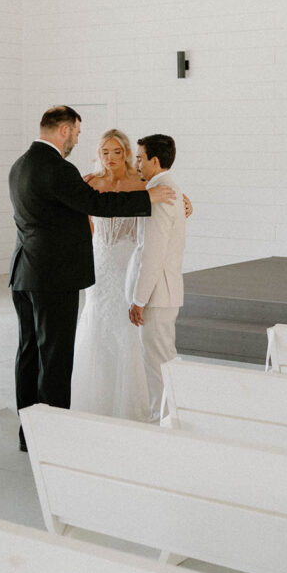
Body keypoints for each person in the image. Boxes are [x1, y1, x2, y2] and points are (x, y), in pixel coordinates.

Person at [8, 107, 174, 450]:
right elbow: (94, 202)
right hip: (54, 278)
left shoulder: (19, 165)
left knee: (29, 354)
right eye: (78, 133)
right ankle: (53, 435)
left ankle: (30, 433)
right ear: (65, 131)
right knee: (54, 358)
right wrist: (148, 197)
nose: (79, 140)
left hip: (23, 274)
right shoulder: (59, 169)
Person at [71, 129, 192, 421]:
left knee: (132, 335)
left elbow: (176, 203)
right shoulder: (88, 182)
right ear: (98, 154)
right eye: (105, 152)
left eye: (118, 152)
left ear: (127, 154)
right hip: (100, 264)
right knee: (97, 323)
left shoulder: (143, 183)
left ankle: (142, 405)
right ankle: (98, 399)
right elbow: (83, 222)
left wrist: (188, 204)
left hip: (128, 265)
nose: (111, 157)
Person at [127, 134, 186, 423]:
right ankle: (169, 417)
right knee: (164, 360)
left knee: (159, 364)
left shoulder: (160, 193)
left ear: (154, 160)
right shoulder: (167, 188)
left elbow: (152, 253)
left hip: (157, 295)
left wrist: (139, 299)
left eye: (139, 157)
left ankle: (162, 421)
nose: (135, 163)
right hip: (163, 292)